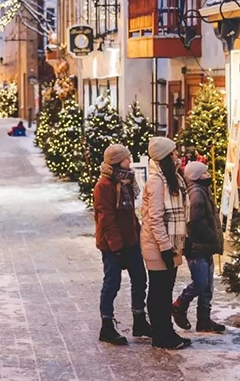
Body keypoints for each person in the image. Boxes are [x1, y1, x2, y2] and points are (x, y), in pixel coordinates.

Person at [94, 144, 152, 346]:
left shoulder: (126, 180)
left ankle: (139, 320)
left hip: (131, 241)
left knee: (139, 279)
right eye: (127, 158)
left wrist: (138, 236)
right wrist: (116, 247)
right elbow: (106, 219)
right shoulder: (104, 185)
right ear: (117, 161)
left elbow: (130, 216)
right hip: (112, 245)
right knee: (112, 283)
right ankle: (107, 326)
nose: (130, 161)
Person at [139, 137, 191, 350]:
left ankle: (166, 331)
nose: (177, 155)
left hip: (172, 241)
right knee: (159, 290)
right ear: (165, 156)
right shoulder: (156, 181)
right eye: (173, 152)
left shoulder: (171, 177)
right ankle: (160, 335)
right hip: (159, 245)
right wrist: (165, 247)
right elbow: (155, 218)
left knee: (165, 289)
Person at [172, 161, 226, 333]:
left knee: (208, 286)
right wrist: (211, 234)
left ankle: (204, 320)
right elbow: (194, 222)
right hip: (197, 246)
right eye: (204, 173)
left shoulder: (202, 189)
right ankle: (180, 304)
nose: (208, 175)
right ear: (196, 176)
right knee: (201, 283)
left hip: (205, 246)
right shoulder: (196, 192)